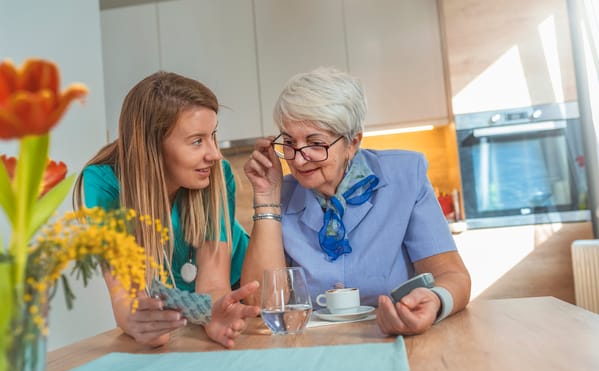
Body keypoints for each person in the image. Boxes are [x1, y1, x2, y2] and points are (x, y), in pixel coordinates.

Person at [241, 67, 471, 336]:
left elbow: (454, 277)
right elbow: (261, 304)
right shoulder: (282, 193)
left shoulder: (405, 176)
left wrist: (435, 300)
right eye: (289, 142)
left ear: (353, 142)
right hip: (314, 349)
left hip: (397, 341)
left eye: (316, 143)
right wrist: (267, 199)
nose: (298, 159)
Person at [73, 71, 259, 348]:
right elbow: (124, 294)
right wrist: (139, 322)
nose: (215, 153)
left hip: (232, 299)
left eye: (213, 136)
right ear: (153, 145)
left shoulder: (218, 175)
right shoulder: (104, 183)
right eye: (197, 140)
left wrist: (212, 313)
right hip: (180, 309)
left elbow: (212, 284)